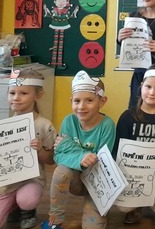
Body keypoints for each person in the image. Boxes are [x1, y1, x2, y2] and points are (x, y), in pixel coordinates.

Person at [0, 68, 56, 229]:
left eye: (23, 93)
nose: (16, 98)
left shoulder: (44, 125)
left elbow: (51, 160)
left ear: (37, 96)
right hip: (5, 185)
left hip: (32, 180)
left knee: (27, 199)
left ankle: (25, 209)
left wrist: (39, 149)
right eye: (12, 93)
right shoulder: (2, 127)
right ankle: (13, 207)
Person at [43, 71, 116, 229]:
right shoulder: (69, 121)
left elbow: (101, 162)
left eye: (89, 100)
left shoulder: (107, 125)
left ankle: (99, 210)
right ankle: (55, 221)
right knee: (61, 171)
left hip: (97, 185)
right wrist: (83, 156)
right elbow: (59, 156)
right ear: (71, 101)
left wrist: (70, 147)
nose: (81, 106)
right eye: (77, 101)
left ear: (102, 101)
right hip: (75, 180)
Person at [113, 63, 155, 225]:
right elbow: (118, 148)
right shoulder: (127, 117)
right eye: (148, 87)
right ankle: (137, 206)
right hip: (132, 176)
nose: (152, 92)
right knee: (123, 207)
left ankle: (149, 202)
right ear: (141, 86)